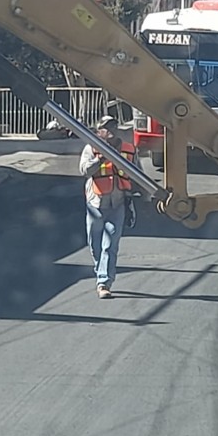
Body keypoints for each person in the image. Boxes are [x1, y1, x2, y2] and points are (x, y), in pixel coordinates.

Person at [79, 115, 137, 299]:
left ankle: (104, 282)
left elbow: (139, 174)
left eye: (113, 126)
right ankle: (100, 269)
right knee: (95, 244)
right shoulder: (91, 148)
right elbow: (84, 170)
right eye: (105, 127)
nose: (110, 130)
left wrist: (149, 196)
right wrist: (102, 157)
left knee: (110, 244)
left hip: (117, 203)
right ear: (99, 132)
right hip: (95, 204)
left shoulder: (128, 149)